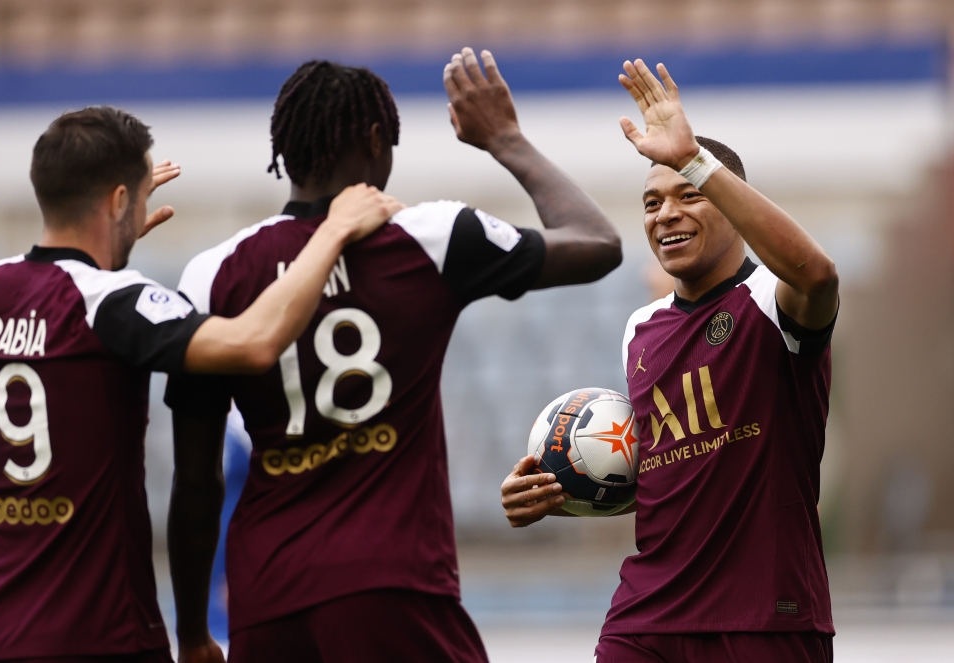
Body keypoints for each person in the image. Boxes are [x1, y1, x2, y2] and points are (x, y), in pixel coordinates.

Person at [165, 48, 622, 662]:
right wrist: (505, 139)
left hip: (266, 595)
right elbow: (597, 243)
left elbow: (197, 480)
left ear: (285, 147)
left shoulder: (212, 275)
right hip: (394, 585)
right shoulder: (428, 237)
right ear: (378, 140)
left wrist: (192, 631)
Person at [0, 106, 401, 662]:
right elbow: (253, 343)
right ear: (120, 201)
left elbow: (46, 291)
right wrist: (331, 232)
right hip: (97, 633)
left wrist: (103, 239)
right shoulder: (113, 301)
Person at [500, 59, 839, 662]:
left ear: (729, 206)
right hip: (647, 616)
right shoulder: (641, 329)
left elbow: (818, 273)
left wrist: (695, 160)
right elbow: (673, 476)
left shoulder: (771, 300)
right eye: (652, 202)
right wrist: (562, 492)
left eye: (690, 195)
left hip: (767, 617)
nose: (666, 214)